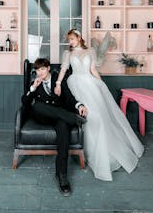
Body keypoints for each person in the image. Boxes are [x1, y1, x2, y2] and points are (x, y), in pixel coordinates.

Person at [54, 29, 144, 181]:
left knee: (101, 115)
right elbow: (63, 69)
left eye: (72, 39)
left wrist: (101, 84)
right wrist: (57, 83)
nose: (70, 42)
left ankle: (105, 149)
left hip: (91, 84)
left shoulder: (90, 51)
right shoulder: (67, 54)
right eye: (69, 40)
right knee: (89, 114)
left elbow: (93, 69)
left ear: (79, 37)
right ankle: (90, 150)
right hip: (75, 83)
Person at [22, 58, 88, 196]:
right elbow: (25, 102)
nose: (40, 72)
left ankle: (62, 176)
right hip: (44, 117)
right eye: (37, 70)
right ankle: (74, 119)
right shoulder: (35, 83)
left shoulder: (59, 81)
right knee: (37, 106)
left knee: (63, 130)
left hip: (60, 118)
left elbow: (70, 98)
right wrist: (33, 88)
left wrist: (79, 105)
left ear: (48, 68)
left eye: (42, 69)